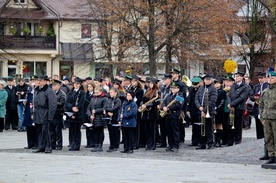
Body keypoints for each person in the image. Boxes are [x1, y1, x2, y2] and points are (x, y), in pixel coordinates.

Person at [32, 76, 57, 153]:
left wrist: (50, 116)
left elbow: (53, 104)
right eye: (39, 80)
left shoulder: (49, 91)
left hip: (45, 112)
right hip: (38, 112)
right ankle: (41, 146)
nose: (39, 82)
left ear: (46, 81)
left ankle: (48, 146)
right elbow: (34, 103)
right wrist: (33, 112)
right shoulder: (37, 90)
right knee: (39, 130)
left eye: (41, 80)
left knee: (46, 130)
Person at [195, 74, 218, 149]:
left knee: (208, 128)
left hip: (209, 111)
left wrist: (204, 110)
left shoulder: (213, 89)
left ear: (210, 80)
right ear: (204, 80)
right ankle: (202, 143)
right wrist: (199, 107)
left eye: (209, 80)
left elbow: (212, 101)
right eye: (206, 79)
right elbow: (196, 98)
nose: (207, 81)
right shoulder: (201, 88)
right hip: (200, 110)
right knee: (201, 127)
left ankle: (210, 143)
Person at [160, 82, 184, 152]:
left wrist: (168, 108)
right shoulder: (169, 95)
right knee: (169, 131)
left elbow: (178, 105)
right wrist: (164, 106)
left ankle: (176, 145)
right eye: (172, 88)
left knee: (174, 131)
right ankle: (170, 144)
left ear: (178, 89)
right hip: (168, 115)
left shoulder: (180, 96)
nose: (172, 89)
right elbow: (164, 102)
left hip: (174, 115)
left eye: (174, 88)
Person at [227, 72, 249, 146]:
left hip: (239, 107)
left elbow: (242, 98)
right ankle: (230, 140)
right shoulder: (233, 85)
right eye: (236, 76)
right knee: (230, 123)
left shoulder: (245, 86)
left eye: (238, 76)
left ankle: (237, 139)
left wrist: (232, 104)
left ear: (242, 77)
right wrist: (230, 103)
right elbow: (229, 95)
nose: (236, 77)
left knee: (238, 124)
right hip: (232, 107)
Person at [259, 71, 276, 164]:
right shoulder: (265, 91)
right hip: (266, 117)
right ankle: (271, 155)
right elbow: (261, 105)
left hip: (275, 117)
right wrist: (262, 117)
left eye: (272, 78)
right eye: (269, 78)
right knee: (268, 137)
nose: (270, 79)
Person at [65, 77, 86, 151]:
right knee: (71, 130)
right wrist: (71, 107)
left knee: (77, 130)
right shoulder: (71, 92)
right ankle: (71, 143)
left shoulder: (82, 92)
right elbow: (67, 102)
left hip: (78, 114)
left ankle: (76, 145)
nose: (75, 85)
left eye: (77, 84)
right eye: (74, 83)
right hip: (70, 113)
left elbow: (81, 103)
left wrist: (75, 110)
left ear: (80, 85)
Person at [140, 78, 160, 150]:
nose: (150, 85)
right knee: (147, 130)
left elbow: (156, 102)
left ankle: (153, 145)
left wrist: (147, 105)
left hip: (152, 113)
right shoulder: (147, 91)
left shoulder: (157, 92)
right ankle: (148, 144)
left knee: (153, 130)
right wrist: (142, 104)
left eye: (151, 83)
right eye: (150, 83)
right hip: (146, 113)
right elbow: (143, 99)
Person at [87, 87, 108, 152]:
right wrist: (90, 115)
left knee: (100, 131)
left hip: (100, 117)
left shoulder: (104, 98)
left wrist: (96, 111)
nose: (95, 94)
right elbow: (88, 108)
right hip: (94, 118)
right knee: (95, 132)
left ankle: (100, 145)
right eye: (95, 92)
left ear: (101, 92)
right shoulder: (92, 99)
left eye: (97, 92)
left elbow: (105, 107)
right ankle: (96, 144)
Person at [22, 75, 38, 149]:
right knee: (29, 127)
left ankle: (36, 144)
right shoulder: (28, 89)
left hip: (35, 111)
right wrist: (25, 102)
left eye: (34, 81)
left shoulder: (38, 90)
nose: (32, 82)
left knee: (35, 128)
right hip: (28, 110)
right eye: (31, 81)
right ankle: (30, 144)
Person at [50, 79, 66, 150]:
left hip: (58, 113)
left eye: (55, 85)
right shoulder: (51, 93)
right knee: (51, 130)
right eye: (52, 85)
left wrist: (53, 104)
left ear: (59, 86)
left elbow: (62, 103)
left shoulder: (62, 94)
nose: (53, 87)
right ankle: (52, 144)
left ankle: (59, 144)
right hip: (52, 114)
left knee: (58, 130)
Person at [187, 76, 203, 146]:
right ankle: (194, 141)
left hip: (199, 109)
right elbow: (189, 99)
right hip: (192, 109)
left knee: (200, 126)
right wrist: (188, 109)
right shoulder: (191, 89)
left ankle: (200, 141)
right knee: (194, 126)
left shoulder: (202, 89)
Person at [158, 74, 172, 148]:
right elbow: (160, 97)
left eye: (165, 79)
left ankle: (170, 143)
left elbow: (170, 98)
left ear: (169, 79)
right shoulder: (162, 87)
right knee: (162, 127)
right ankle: (163, 142)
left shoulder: (171, 87)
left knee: (168, 128)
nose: (164, 81)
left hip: (168, 108)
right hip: (162, 108)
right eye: (164, 79)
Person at [105, 87, 122, 152]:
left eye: (111, 92)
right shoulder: (109, 100)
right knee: (110, 132)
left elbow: (116, 108)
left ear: (115, 93)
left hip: (115, 117)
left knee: (116, 132)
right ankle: (111, 144)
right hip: (109, 117)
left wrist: (110, 111)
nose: (110, 94)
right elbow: (106, 107)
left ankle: (116, 145)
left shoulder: (118, 100)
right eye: (110, 92)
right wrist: (108, 112)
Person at [130, 75, 144, 149]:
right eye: (132, 81)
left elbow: (138, 100)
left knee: (137, 127)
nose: (132, 83)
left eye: (134, 81)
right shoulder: (131, 89)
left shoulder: (140, 90)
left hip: (136, 109)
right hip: (131, 108)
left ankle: (137, 143)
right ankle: (132, 142)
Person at [214, 78, 226, 147]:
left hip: (220, 110)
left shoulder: (222, 92)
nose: (216, 85)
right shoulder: (213, 91)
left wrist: (217, 108)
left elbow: (222, 101)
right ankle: (215, 139)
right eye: (215, 83)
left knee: (219, 124)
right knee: (214, 125)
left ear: (221, 84)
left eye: (218, 83)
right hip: (213, 109)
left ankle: (219, 140)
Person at [84, 81, 95, 148]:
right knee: (87, 128)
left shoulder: (94, 95)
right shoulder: (86, 95)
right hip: (87, 112)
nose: (89, 88)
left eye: (90, 87)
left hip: (92, 112)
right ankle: (88, 142)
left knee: (92, 129)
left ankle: (92, 142)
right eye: (88, 87)